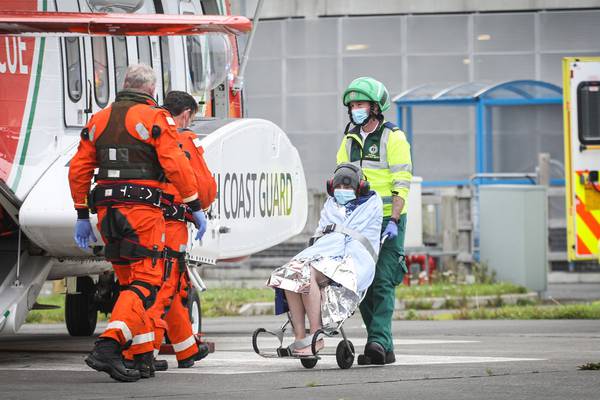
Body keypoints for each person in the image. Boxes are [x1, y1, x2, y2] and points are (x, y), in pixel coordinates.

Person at [68, 64, 207, 382]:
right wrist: (194, 205)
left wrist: (80, 214)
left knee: (130, 282)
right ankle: (109, 346)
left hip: (106, 211)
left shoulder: (99, 120)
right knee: (147, 282)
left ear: (124, 85)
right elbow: (175, 165)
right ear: (151, 91)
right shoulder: (155, 118)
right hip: (141, 211)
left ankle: (142, 357)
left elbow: (79, 169)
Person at [123, 91, 216, 370]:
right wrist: (198, 209)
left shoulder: (143, 135)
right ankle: (142, 353)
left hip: (139, 219)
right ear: (186, 114)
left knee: (171, 286)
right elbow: (205, 190)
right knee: (162, 288)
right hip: (170, 225)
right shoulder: (183, 140)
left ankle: (186, 349)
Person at [268, 163, 383, 355]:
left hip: (353, 259)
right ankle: (299, 337)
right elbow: (322, 234)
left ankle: (316, 336)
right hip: (326, 255)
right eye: (339, 187)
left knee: (305, 273)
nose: (342, 191)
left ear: (360, 188)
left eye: (348, 187)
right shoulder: (331, 204)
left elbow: (351, 238)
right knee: (288, 274)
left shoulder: (371, 205)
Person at [337, 76, 412, 365]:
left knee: (383, 281)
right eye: (353, 104)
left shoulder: (394, 138)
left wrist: (394, 219)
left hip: (387, 220)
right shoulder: (349, 140)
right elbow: (342, 178)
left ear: (376, 107)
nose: (356, 109)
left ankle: (378, 341)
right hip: (358, 221)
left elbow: (402, 182)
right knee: (362, 283)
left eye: (361, 104)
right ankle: (382, 346)